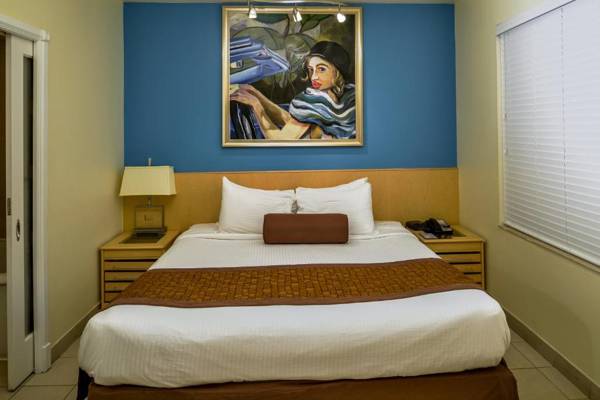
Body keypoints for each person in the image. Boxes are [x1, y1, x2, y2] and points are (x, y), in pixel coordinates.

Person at [230, 41, 356, 140]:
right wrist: (256, 94)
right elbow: (295, 122)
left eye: (321, 69)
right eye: (311, 70)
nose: (314, 77)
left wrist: (256, 105)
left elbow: (280, 140)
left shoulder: (315, 100)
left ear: (338, 71)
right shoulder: (349, 99)